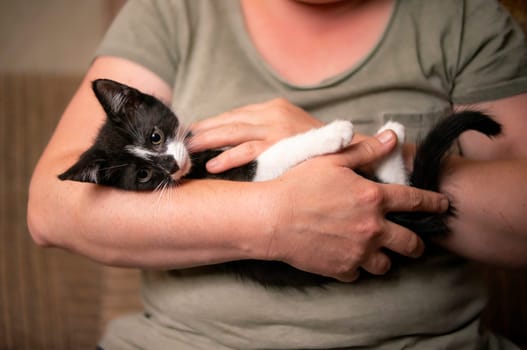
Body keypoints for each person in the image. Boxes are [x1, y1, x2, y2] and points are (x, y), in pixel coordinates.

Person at [27, 0, 527, 349]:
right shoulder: (171, 9)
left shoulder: (462, 14)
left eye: (158, 142)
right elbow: (51, 211)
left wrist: (361, 155)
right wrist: (276, 220)